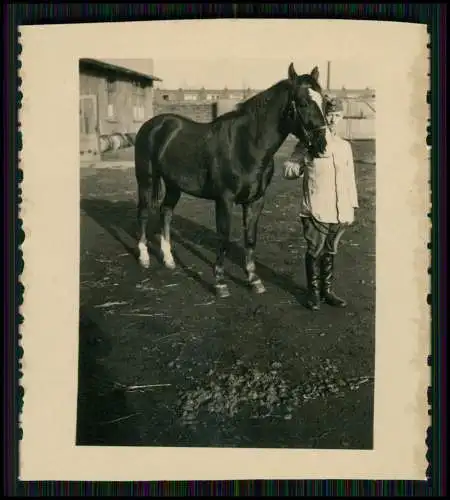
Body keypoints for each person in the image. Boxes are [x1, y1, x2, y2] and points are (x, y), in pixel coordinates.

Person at [283, 97, 359, 311]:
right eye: (329, 114)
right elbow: (288, 170)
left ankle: (327, 291)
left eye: (337, 115)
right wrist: (302, 163)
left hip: (339, 209)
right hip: (316, 208)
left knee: (330, 251)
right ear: (323, 115)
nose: (333, 119)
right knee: (314, 250)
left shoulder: (344, 146)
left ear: (342, 116)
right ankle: (313, 293)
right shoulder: (307, 143)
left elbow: (350, 178)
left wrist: (352, 204)